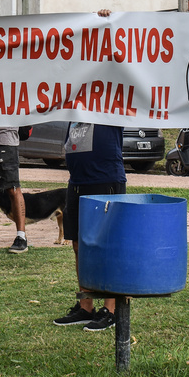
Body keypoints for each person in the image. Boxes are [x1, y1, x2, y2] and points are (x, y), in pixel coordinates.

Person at [51, 122, 126, 332]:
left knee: (107, 246)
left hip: (105, 178)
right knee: (78, 244)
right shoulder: (75, 96)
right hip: (77, 180)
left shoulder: (111, 94)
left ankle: (110, 310)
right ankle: (86, 306)